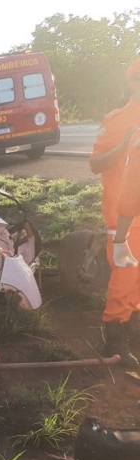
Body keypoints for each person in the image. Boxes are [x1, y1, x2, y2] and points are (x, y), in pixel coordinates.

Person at [90, 57, 140, 362]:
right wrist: (122, 147)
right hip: (122, 216)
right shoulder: (116, 119)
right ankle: (115, 340)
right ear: (131, 82)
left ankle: (132, 331)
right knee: (123, 278)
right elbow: (95, 165)